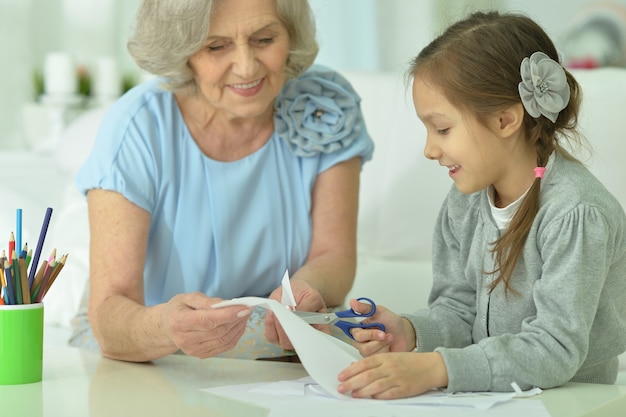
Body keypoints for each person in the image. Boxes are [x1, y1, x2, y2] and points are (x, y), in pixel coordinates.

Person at [336, 11, 626, 399]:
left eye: (442, 129)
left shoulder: (576, 213)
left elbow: (555, 349)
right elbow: (459, 311)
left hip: (571, 401)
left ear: (506, 119)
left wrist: (437, 368)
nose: (429, 149)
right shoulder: (464, 203)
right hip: (490, 399)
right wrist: (410, 332)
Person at [69, 0, 374, 362]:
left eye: (264, 39)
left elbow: (333, 255)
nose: (246, 66)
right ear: (183, 51)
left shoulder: (325, 103)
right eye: (216, 46)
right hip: (152, 346)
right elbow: (109, 312)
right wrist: (168, 328)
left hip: (284, 340)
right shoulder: (138, 127)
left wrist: (306, 290)